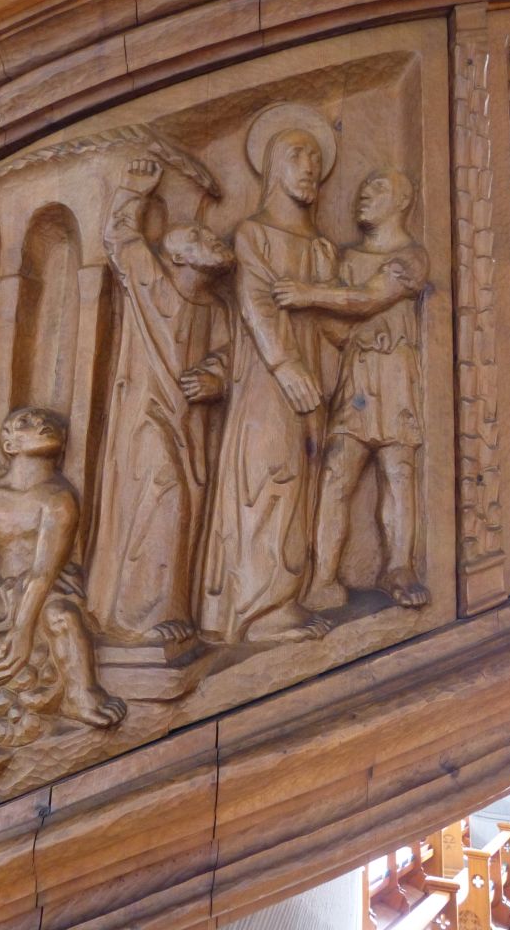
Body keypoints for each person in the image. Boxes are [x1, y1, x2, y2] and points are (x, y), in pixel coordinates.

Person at [199, 106, 340, 644]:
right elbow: (255, 300)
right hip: (267, 378)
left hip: (315, 381)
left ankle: (286, 597)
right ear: (272, 168)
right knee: (268, 476)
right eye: (296, 155)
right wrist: (286, 365)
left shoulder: (322, 247)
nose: (309, 167)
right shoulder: (253, 234)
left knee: (302, 480)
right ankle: (259, 608)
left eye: (315, 158)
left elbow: (332, 323)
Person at [0, 406, 126, 770]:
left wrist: (21, 632)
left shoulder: (58, 497)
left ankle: (81, 694)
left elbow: (42, 573)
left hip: (47, 593)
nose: (42, 423)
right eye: (25, 422)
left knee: (62, 618)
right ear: (9, 444)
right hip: (1, 597)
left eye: (46, 422)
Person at [85, 158, 233, 646]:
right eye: (198, 238)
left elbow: (228, 356)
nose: (213, 240)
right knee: (162, 492)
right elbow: (121, 240)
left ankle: (171, 606)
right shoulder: (152, 282)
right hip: (146, 415)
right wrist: (134, 190)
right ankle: (141, 616)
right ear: (178, 258)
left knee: (187, 503)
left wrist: (215, 379)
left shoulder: (216, 309)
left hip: (192, 426)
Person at [272, 168, 429, 609]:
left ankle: (399, 566)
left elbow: (370, 299)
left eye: (378, 187)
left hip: (395, 373)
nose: (364, 194)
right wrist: (325, 280)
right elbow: (337, 332)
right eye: (362, 186)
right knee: (336, 475)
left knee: (399, 472)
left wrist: (310, 292)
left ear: (403, 201)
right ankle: (322, 577)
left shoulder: (411, 257)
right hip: (357, 378)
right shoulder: (347, 260)